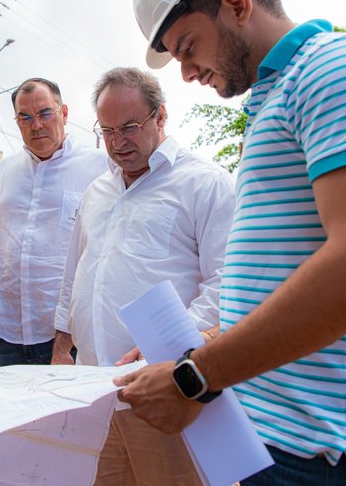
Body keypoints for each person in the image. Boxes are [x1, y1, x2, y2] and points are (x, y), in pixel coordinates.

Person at [118, 0, 346, 483]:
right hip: (271, 436)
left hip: (322, 454)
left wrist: (193, 376)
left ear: (237, 4)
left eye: (188, 46)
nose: (187, 72)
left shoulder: (341, 67)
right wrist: (206, 342)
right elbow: (288, 272)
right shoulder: (275, 99)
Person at [52, 67, 235, 485]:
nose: (117, 143)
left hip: (167, 393)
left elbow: (226, 284)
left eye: (130, 127)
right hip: (93, 393)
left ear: (161, 116)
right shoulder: (97, 191)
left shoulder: (205, 184)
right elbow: (75, 275)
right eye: (107, 130)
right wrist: (64, 349)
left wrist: (170, 347)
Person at [0, 77, 108, 367]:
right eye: (25, 117)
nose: (36, 125)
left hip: (70, 335)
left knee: (69, 412)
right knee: (10, 411)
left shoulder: (100, 168)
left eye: (45, 113)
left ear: (65, 113)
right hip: (7, 332)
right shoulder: (1, 174)